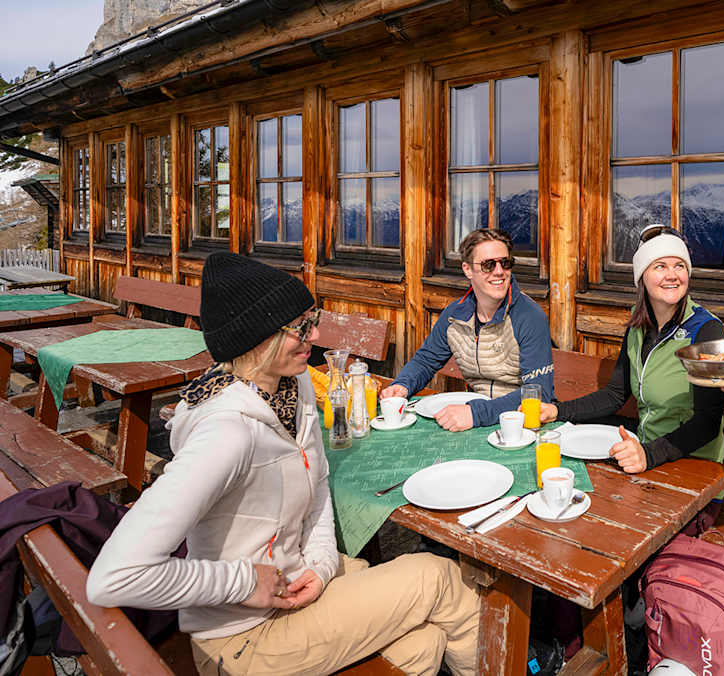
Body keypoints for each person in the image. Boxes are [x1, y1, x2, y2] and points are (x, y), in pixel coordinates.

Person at [87, 253, 480, 676]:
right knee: (437, 578)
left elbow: (319, 489)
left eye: (313, 319)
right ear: (256, 338)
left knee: (425, 641)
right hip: (240, 638)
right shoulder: (227, 432)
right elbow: (115, 576)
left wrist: (322, 563)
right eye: (300, 327)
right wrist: (244, 582)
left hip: (293, 584)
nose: (314, 335)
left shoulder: (297, 386)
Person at [540, 225, 724, 474]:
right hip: (643, 455)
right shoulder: (638, 327)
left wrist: (649, 455)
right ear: (642, 277)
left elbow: (707, 422)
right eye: (660, 266)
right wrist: (557, 411)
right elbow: (616, 394)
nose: (672, 275)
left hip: (693, 467)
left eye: (679, 266)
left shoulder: (706, 330)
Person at [381, 228, 554, 431]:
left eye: (505, 263)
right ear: (467, 269)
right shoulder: (455, 314)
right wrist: (402, 385)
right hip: (474, 418)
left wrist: (476, 413)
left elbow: (538, 393)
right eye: (488, 265)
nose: (499, 271)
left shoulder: (529, 316)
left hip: (520, 425)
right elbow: (426, 360)